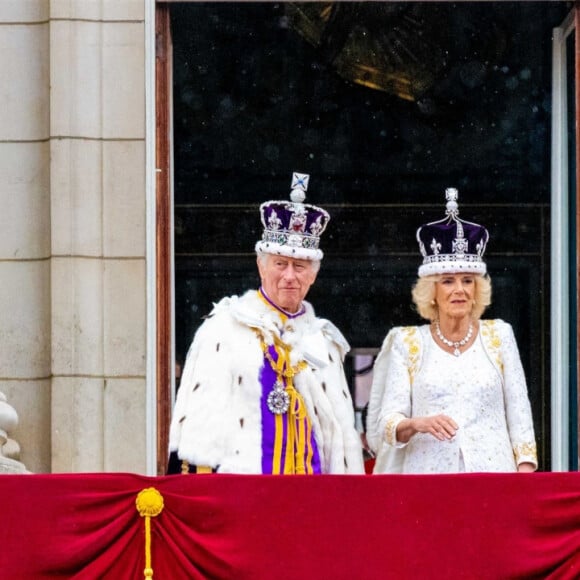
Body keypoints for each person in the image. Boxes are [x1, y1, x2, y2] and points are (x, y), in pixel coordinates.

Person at [167, 172, 364, 475]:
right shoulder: (222, 329)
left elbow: (340, 441)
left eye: (299, 266)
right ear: (261, 265)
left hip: (311, 500)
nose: (289, 275)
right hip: (243, 494)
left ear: (313, 275)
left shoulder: (324, 342)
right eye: (280, 263)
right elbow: (198, 433)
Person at [366, 187, 538, 474]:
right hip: (427, 481)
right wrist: (417, 423)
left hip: (493, 480)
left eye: (467, 281)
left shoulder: (499, 336)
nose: (459, 290)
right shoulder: (407, 342)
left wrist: (523, 478)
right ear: (431, 290)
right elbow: (387, 423)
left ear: (477, 289)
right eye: (448, 281)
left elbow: (520, 417)